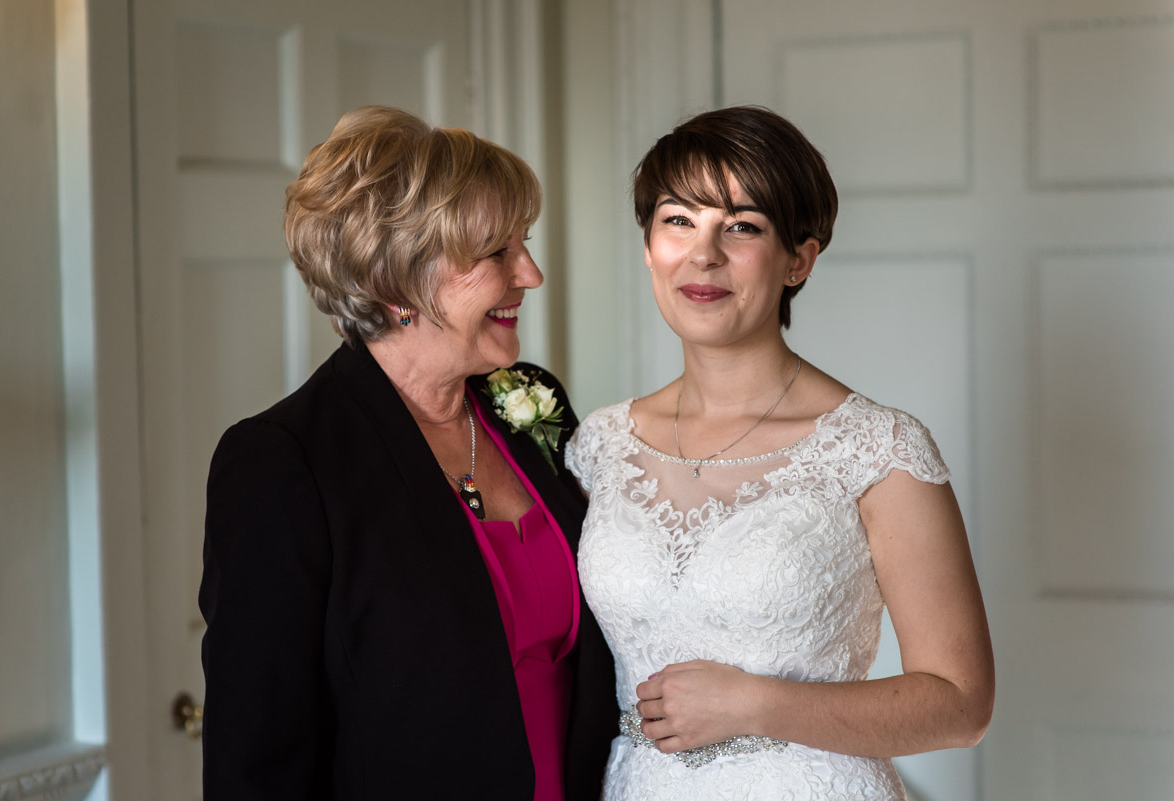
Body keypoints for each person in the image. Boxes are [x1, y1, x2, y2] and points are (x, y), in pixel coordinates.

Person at [566, 105, 994, 800]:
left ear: (799, 258)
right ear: (649, 246)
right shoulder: (600, 446)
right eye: (678, 220)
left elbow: (961, 702)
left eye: (742, 227)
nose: (703, 254)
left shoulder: (878, 449)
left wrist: (753, 703)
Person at [199, 106, 617, 801]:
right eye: (496, 253)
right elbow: (256, 761)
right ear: (398, 283)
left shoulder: (533, 402)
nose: (532, 273)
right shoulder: (283, 463)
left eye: (526, 242)